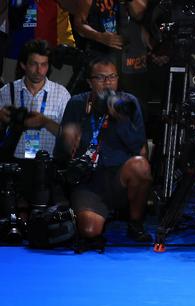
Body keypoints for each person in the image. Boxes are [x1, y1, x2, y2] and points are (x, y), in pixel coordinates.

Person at [54, 57, 152, 244]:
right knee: (90, 230)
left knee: (140, 165)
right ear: (90, 81)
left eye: (112, 77)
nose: (108, 83)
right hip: (88, 180)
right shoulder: (77, 103)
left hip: (119, 177)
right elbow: (61, 154)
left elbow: (138, 146)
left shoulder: (128, 103)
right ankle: (96, 212)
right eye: (101, 78)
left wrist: (120, 119)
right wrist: (67, 140)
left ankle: (135, 223)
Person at [0, 39, 70, 212]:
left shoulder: (61, 94)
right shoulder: (6, 91)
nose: (40, 70)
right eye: (34, 64)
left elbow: (69, 137)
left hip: (48, 165)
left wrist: (45, 122)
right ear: (23, 65)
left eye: (44, 65)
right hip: (15, 165)